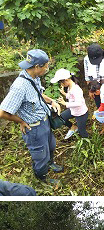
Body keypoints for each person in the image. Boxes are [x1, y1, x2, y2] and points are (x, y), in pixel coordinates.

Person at [0, 49, 63, 183]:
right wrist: (21, 121)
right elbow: (3, 112)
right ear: (36, 67)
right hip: (34, 128)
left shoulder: (34, 78)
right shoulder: (20, 86)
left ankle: (50, 163)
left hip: (44, 121)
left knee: (51, 146)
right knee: (41, 155)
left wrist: (51, 101)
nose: (47, 68)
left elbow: (38, 95)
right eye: (46, 66)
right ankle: (42, 178)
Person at [51, 68, 89, 139]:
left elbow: (79, 103)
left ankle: (87, 142)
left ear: (66, 80)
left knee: (82, 132)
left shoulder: (76, 89)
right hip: (73, 110)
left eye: (61, 82)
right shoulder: (70, 87)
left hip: (81, 113)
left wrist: (65, 103)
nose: (61, 84)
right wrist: (64, 94)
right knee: (61, 117)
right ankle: (73, 127)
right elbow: (71, 96)